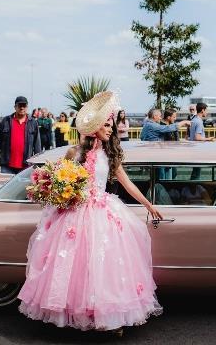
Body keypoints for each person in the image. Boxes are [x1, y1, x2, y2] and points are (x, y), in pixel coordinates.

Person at [18, 91, 162, 332]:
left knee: (105, 267)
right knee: (74, 268)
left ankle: (108, 318)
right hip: (75, 214)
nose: (110, 129)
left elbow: (127, 183)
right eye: (106, 125)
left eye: (111, 124)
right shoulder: (74, 153)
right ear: (94, 127)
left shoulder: (110, 154)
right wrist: (57, 189)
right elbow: (59, 179)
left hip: (102, 213)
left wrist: (148, 204)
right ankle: (76, 315)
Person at [0, 96, 42, 174]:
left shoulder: (33, 123)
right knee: (6, 186)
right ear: (15, 107)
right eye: (19, 105)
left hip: (26, 165)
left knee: (25, 186)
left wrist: (38, 162)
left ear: (27, 107)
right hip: (7, 165)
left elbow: (37, 144)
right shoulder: (6, 121)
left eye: (24, 106)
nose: (22, 108)